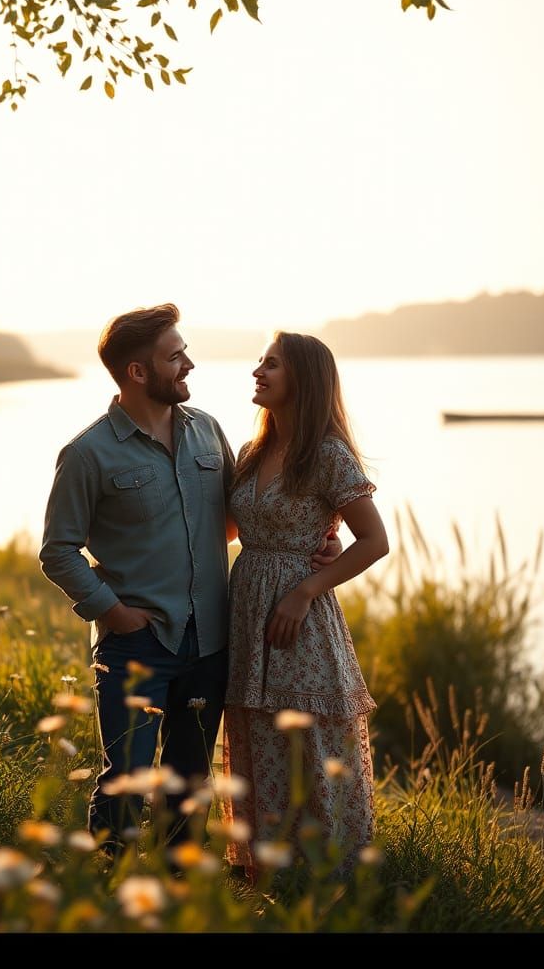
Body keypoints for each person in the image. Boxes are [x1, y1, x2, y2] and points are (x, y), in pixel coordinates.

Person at [39, 305, 338, 855]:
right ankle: (114, 883)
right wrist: (113, 612)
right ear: (138, 372)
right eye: (175, 357)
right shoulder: (87, 454)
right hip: (135, 644)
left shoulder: (208, 432)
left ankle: (180, 882)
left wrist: (319, 535)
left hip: (212, 643)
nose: (189, 364)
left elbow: (241, 515)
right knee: (125, 777)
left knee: (192, 780)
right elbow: (58, 551)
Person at [220, 331, 389, 879]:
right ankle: (268, 869)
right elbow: (228, 530)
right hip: (248, 609)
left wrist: (304, 590)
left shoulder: (327, 455)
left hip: (301, 617)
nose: (258, 371)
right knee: (258, 732)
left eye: (272, 364)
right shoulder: (251, 453)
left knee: (308, 739)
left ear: (304, 380)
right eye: (260, 362)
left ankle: (329, 871)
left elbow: (375, 541)